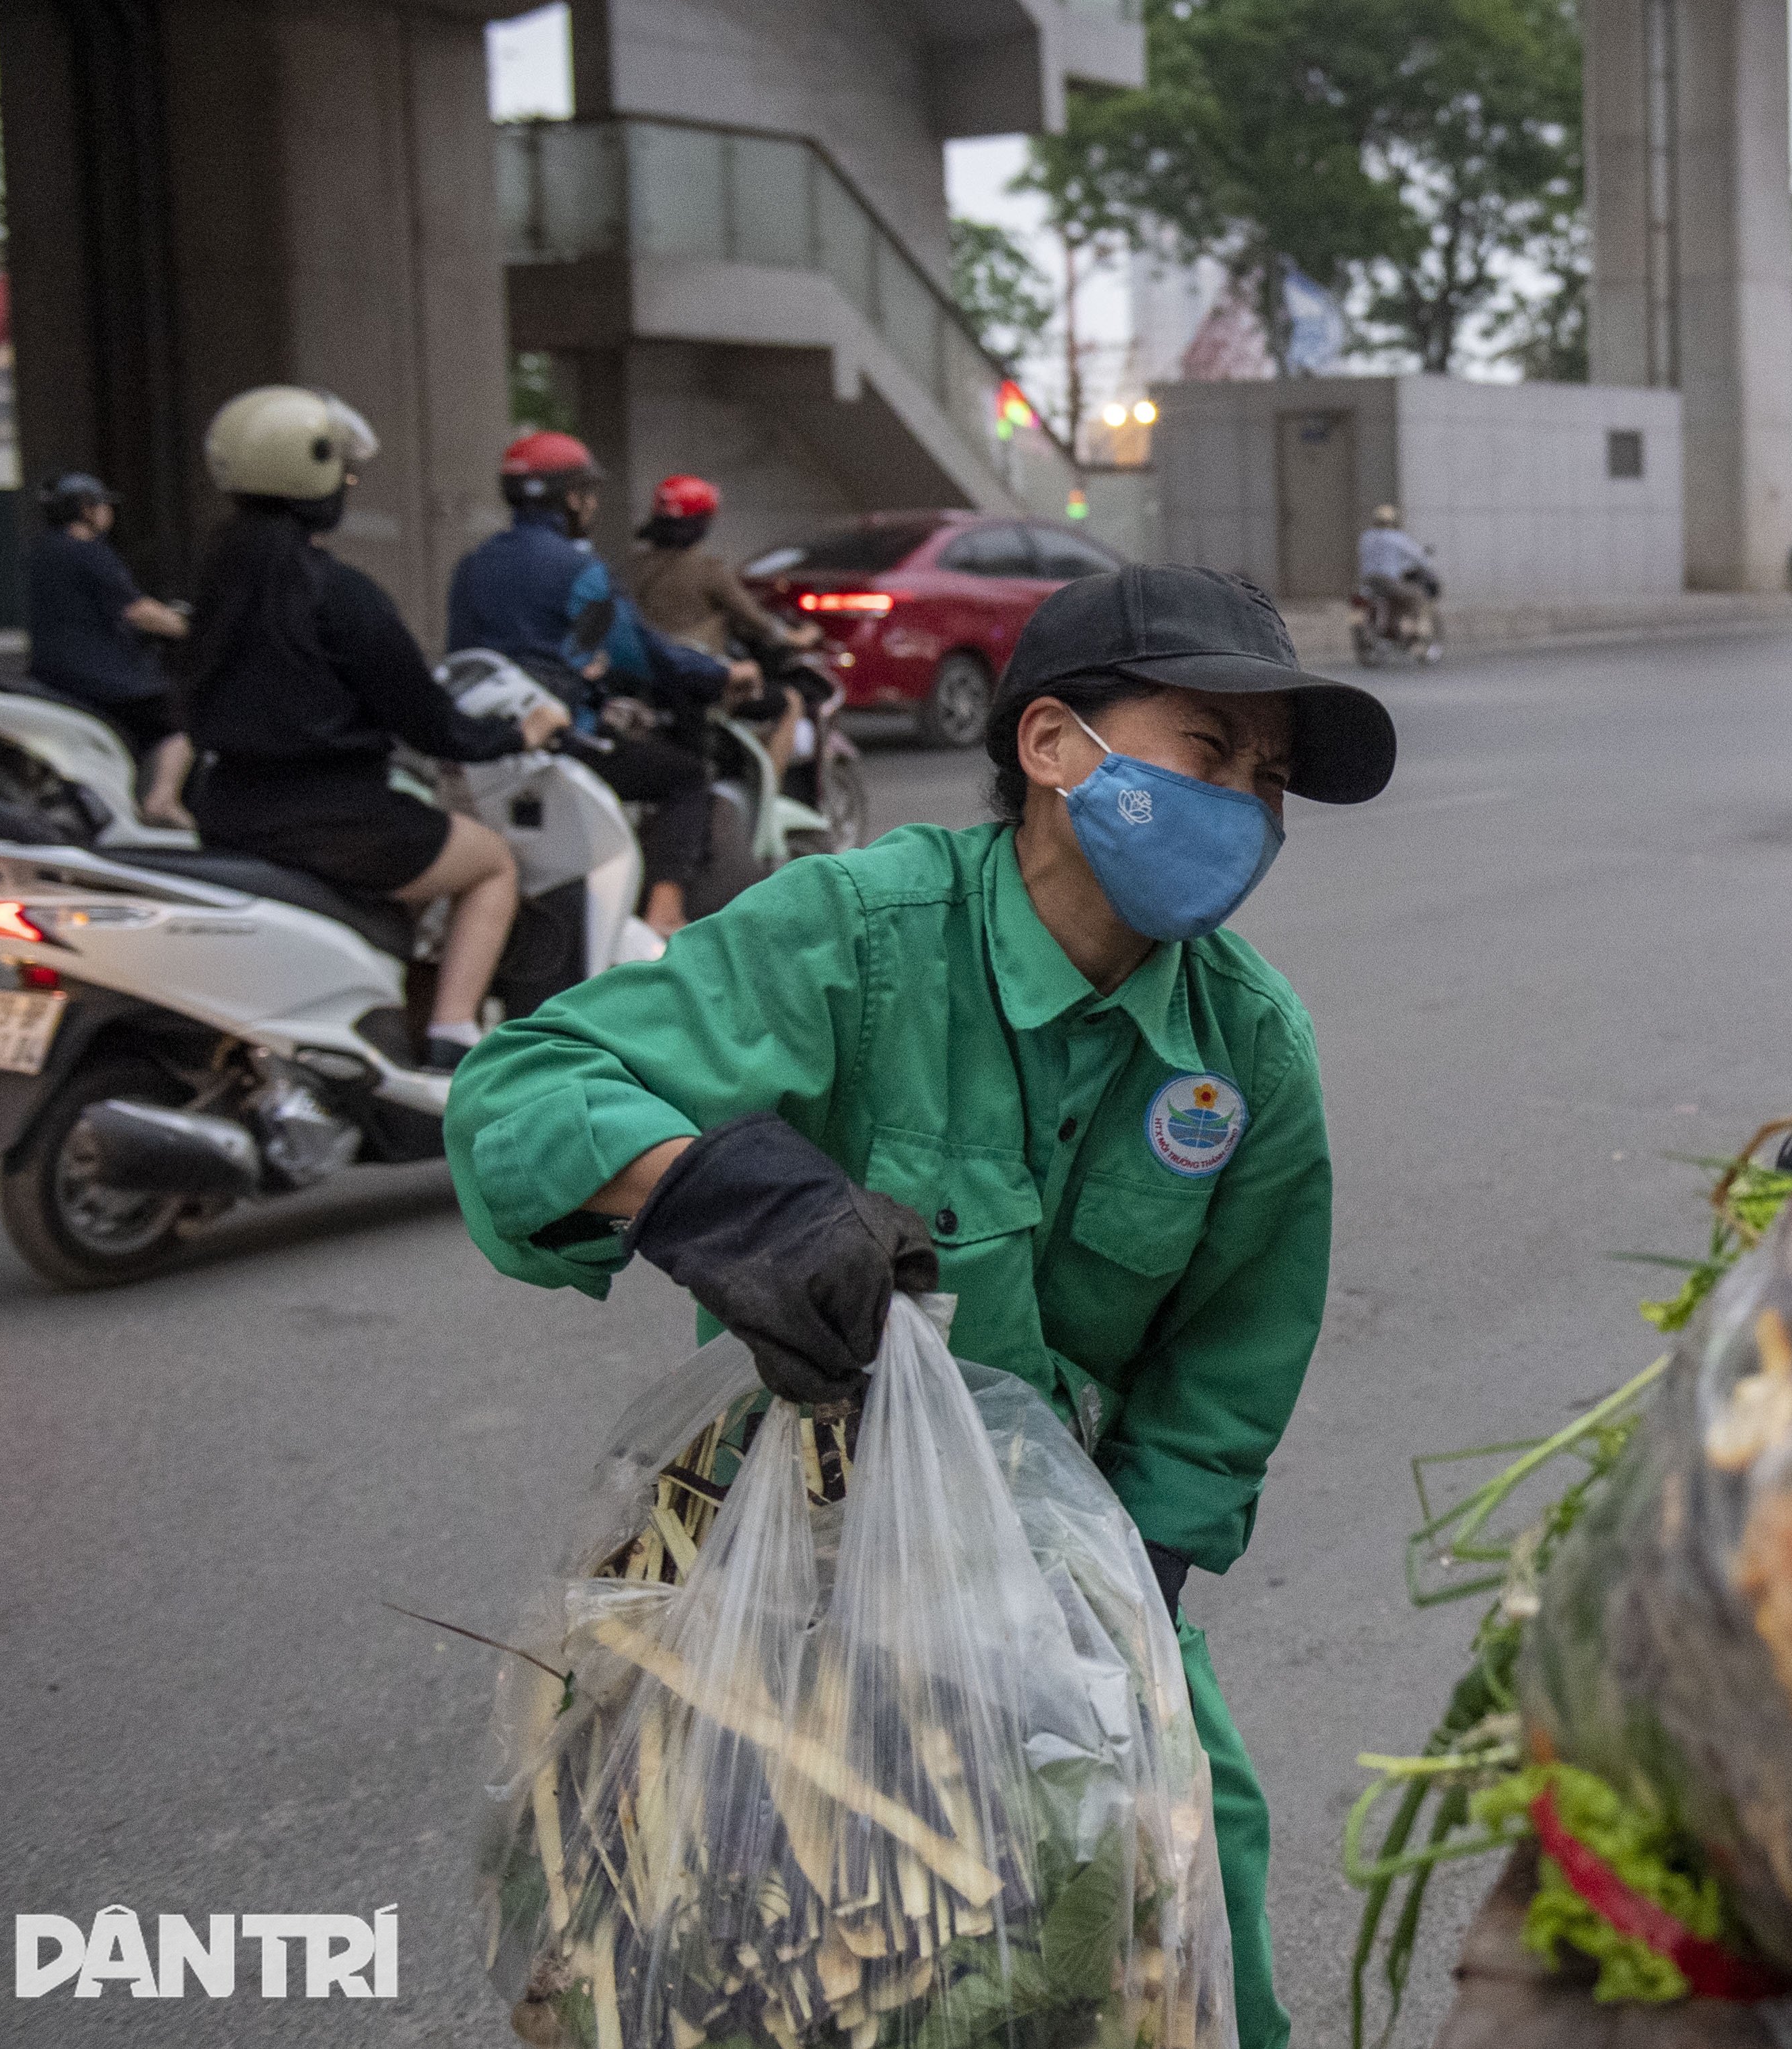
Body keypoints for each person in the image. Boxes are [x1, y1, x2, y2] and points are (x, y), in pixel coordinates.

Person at [443, 563, 1396, 2049]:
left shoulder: (1246, 1050)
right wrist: (713, 1193)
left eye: (1266, 781)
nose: (1243, 809)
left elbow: (1229, 1362)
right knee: (699, 1951)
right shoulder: (862, 932)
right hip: (798, 1571)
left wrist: (1098, 1625)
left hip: (1080, 1600)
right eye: (1206, 751)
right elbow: (522, 1086)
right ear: (1050, 747)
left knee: (1192, 1939)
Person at [180, 387, 570, 1070]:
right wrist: (520, 734)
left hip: (227, 810)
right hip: (338, 823)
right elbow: (428, 723)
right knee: (490, 862)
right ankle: (453, 1034)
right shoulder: (339, 594)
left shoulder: (214, 586)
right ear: (316, 473)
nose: (351, 484)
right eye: (346, 471)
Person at [447, 433, 749, 934]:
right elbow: (642, 657)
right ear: (572, 498)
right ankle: (664, 914)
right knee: (685, 776)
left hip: (484, 749)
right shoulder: (577, 569)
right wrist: (722, 674)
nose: (592, 505)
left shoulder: (472, 566)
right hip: (559, 742)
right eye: (588, 494)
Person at [23, 470, 196, 827]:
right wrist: (186, 627)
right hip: (104, 679)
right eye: (102, 504)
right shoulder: (89, 553)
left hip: (53, 675)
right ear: (87, 509)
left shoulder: (41, 553)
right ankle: (162, 800)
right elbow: (137, 611)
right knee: (181, 724)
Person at [623, 472, 823, 776]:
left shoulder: (633, 569)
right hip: (702, 684)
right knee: (790, 702)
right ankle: (768, 801)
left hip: (645, 684)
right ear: (702, 523)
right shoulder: (709, 570)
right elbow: (760, 623)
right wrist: (799, 637)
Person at [1356, 502, 1436, 640]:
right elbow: (1418, 556)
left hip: (1367, 582)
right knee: (1417, 595)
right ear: (1394, 520)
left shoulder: (1366, 537)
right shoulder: (1396, 537)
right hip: (1388, 581)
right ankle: (1415, 632)